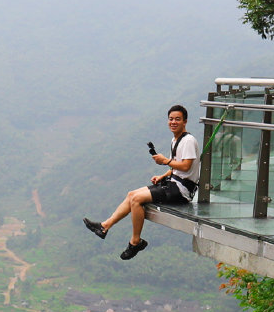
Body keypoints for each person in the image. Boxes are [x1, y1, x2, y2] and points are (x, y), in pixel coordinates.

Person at [83, 105, 199, 261]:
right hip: (173, 183)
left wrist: (165, 161)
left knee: (137, 200)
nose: (173, 122)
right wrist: (162, 175)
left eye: (177, 119)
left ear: (185, 121)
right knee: (131, 194)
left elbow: (186, 166)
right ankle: (104, 226)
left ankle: (135, 241)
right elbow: (177, 167)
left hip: (181, 191)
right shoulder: (176, 139)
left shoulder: (188, 140)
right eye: (171, 119)